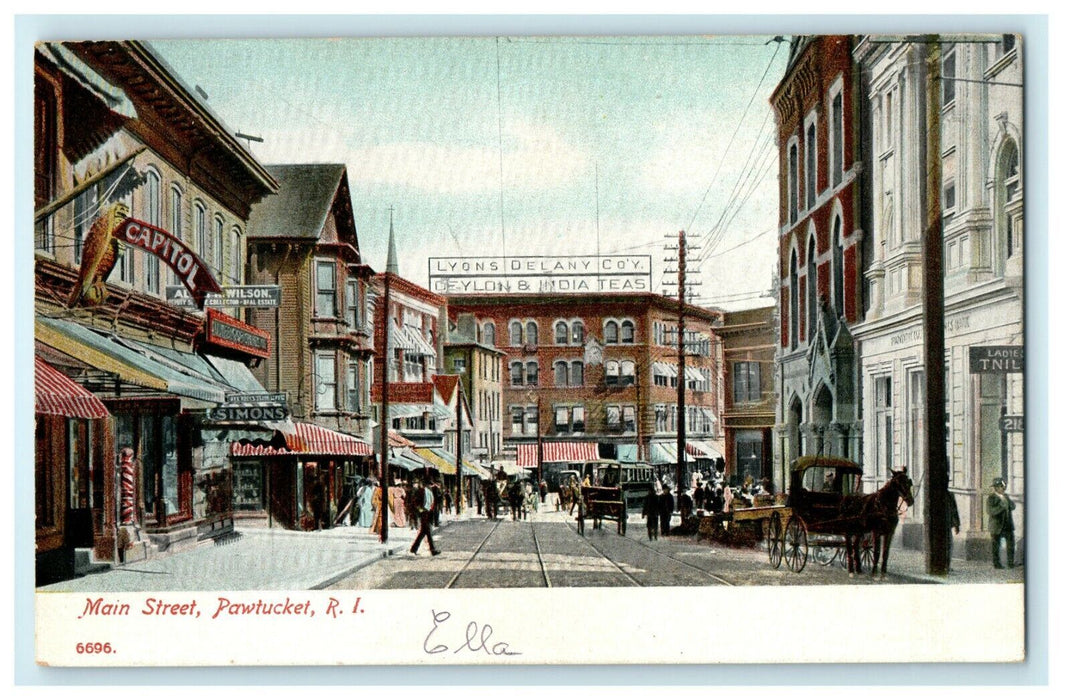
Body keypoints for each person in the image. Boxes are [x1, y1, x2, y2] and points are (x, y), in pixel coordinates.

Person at [986, 478, 1016, 569]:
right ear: (996, 488)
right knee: (995, 546)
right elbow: (990, 511)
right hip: (996, 526)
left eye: (1003, 487)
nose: (1003, 488)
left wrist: (1008, 501)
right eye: (1001, 487)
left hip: (1008, 526)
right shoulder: (991, 498)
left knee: (1011, 545)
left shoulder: (1006, 496)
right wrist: (1001, 507)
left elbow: (1013, 506)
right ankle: (997, 564)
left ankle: (1010, 563)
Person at [409, 478, 440, 557]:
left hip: (429, 513)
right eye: (430, 484)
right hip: (424, 512)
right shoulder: (421, 491)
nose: (430, 486)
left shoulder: (429, 492)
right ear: (426, 485)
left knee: (423, 532)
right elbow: (415, 502)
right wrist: (420, 510)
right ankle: (433, 550)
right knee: (428, 532)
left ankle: (414, 549)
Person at [947, 490, 961, 568]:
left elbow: (954, 510)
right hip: (936, 525)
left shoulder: (950, 495)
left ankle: (947, 565)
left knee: (949, 544)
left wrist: (956, 525)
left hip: (948, 524)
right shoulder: (934, 495)